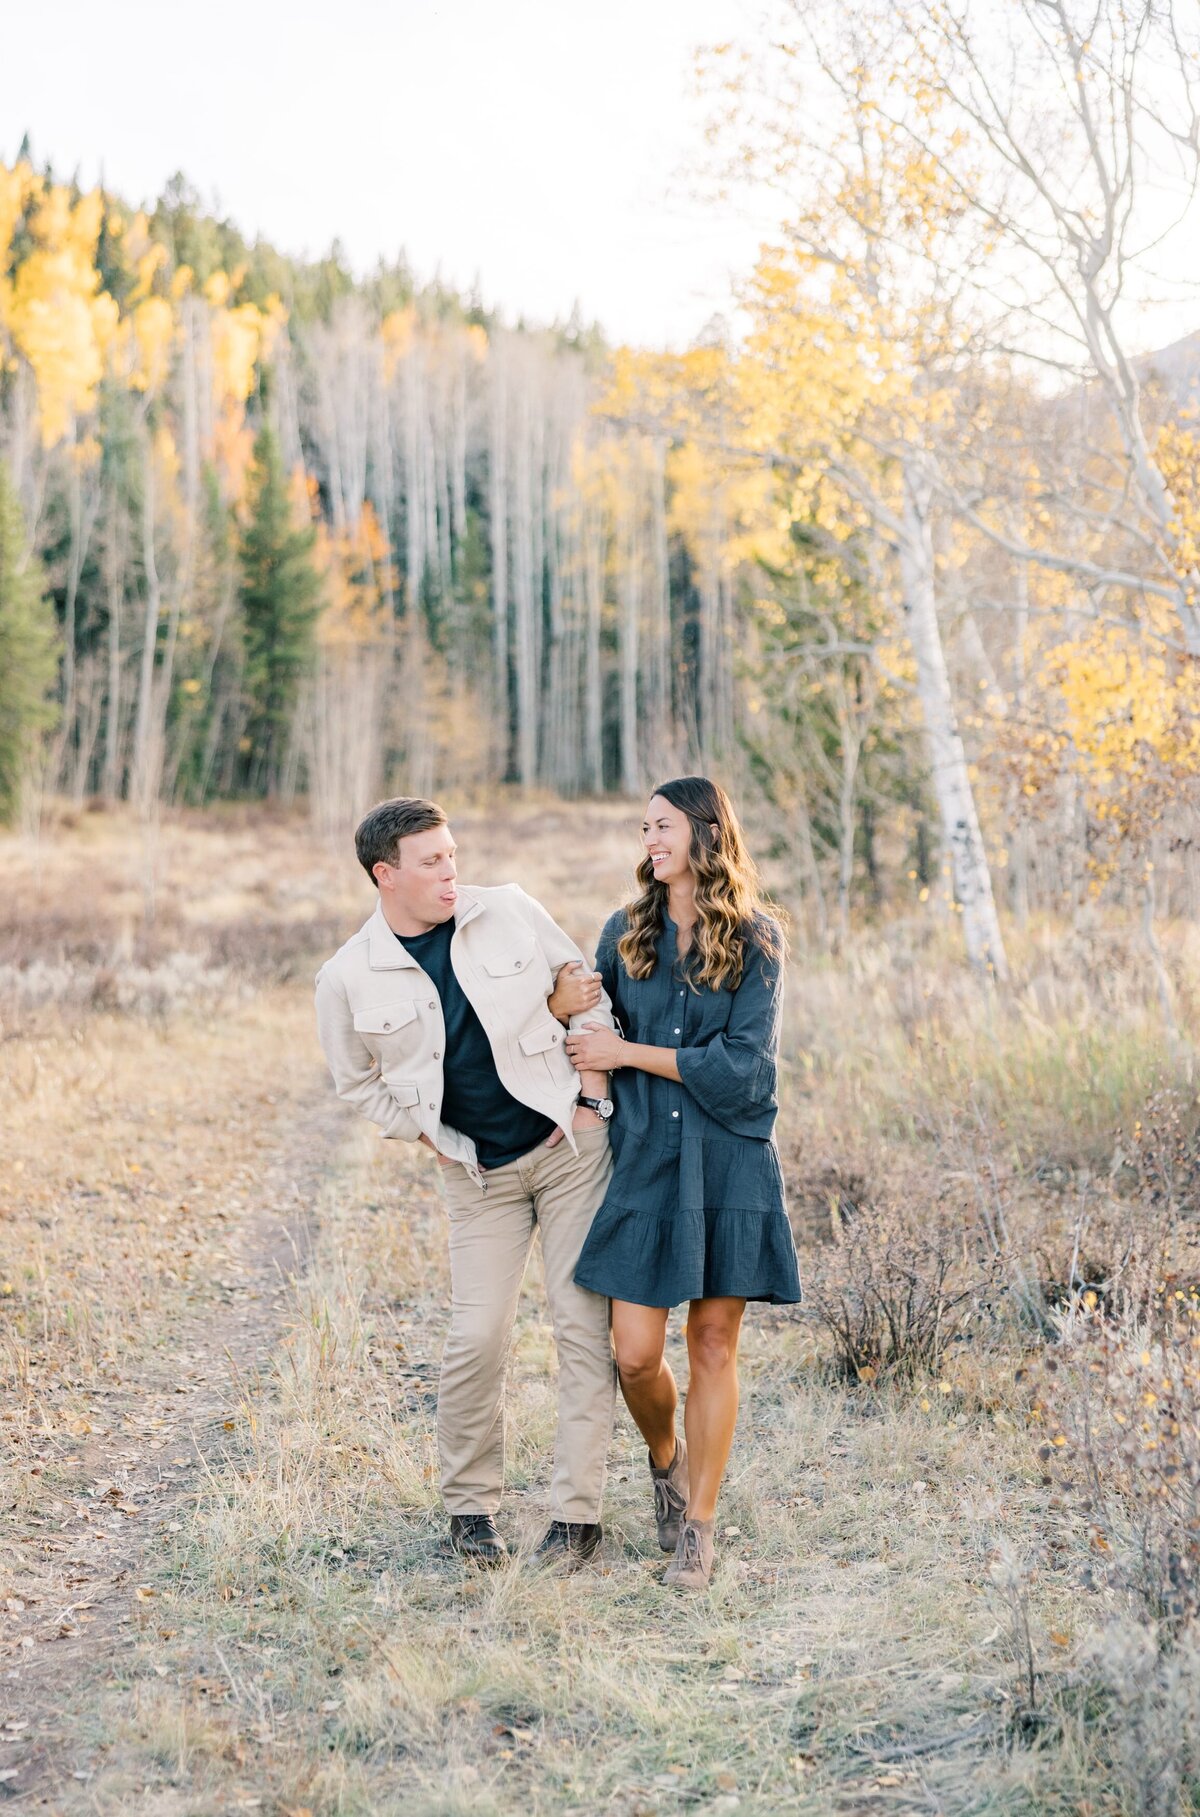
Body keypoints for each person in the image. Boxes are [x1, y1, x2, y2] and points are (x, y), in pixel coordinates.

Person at [315, 797, 619, 1569]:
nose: (451, 871)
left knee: (582, 1327)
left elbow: (585, 988)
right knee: (476, 1335)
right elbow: (355, 1083)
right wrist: (428, 1135)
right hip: (476, 1174)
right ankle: (470, 1510)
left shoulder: (509, 910)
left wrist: (589, 1100)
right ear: (386, 874)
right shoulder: (348, 975)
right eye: (430, 861)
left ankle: (576, 1514)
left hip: (567, 1152)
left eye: (452, 855)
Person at [559, 776, 801, 1592]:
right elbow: (588, 1029)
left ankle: (698, 1525)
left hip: (727, 1157)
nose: (648, 840)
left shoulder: (758, 940)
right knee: (634, 1356)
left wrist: (628, 1057)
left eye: (661, 826)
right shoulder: (623, 933)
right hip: (646, 1161)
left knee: (712, 1343)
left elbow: (743, 1072)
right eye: (643, 828)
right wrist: (571, 1016)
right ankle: (666, 1459)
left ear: (704, 831)